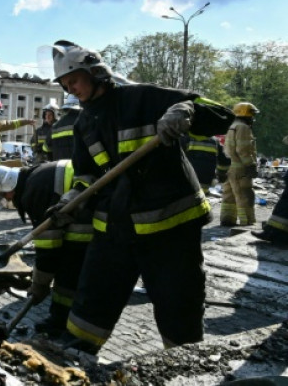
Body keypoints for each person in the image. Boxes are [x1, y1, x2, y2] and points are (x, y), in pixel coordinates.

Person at [50, 40, 233, 354]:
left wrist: (184, 109)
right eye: (66, 86)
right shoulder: (85, 123)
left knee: (178, 303)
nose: (71, 91)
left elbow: (222, 115)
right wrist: (71, 199)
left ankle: (180, 363)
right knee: (94, 295)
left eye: (74, 82)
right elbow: (86, 177)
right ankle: (73, 357)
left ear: (95, 72)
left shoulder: (142, 97)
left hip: (169, 228)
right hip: (115, 227)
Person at [0, 162, 91, 334]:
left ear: (9, 184)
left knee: (69, 272)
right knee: (66, 273)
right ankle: (59, 319)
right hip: (83, 210)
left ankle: (66, 326)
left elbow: (48, 249)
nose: (8, 199)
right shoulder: (34, 176)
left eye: (5, 195)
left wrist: (39, 284)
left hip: (86, 220)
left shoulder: (33, 192)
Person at [224, 103, 259, 226]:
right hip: (240, 169)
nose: (253, 117)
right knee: (245, 194)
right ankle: (247, 220)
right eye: (252, 114)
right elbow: (243, 149)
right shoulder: (243, 127)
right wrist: (251, 165)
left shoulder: (231, 126)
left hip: (229, 167)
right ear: (246, 113)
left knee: (229, 195)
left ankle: (227, 219)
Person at [49, 94, 81, 161]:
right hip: (79, 169)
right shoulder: (84, 122)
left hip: (59, 168)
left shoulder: (55, 126)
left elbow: (45, 148)